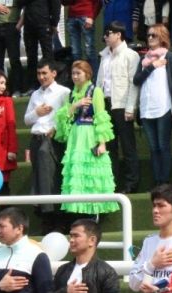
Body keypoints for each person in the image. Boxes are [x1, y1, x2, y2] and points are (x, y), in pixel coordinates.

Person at [55, 60, 119, 215]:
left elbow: (100, 116)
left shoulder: (95, 91)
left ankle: (94, 211)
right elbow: (64, 117)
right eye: (73, 73)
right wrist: (75, 106)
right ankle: (80, 210)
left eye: (78, 73)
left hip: (89, 135)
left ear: (87, 74)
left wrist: (102, 143)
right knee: (78, 172)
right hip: (76, 137)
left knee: (92, 170)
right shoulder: (71, 94)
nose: (75, 76)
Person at [23, 58, 70, 233]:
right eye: (39, 73)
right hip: (36, 139)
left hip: (52, 139)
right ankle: (46, 219)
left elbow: (68, 116)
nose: (41, 77)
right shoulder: (35, 94)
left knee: (50, 180)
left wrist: (56, 128)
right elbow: (27, 120)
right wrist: (37, 112)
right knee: (39, 180)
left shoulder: (63, 92)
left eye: (44, 73)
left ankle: (56, 219)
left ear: (54, 73)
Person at [96, 21, 140, 194]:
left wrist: (130, 107)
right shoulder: (104, 56)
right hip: (105, 104)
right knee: (110, 146)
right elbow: (99, 83)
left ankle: (131, 184)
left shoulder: (130, 55)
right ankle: (111, 183)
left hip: (121, 105)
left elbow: (133, 84)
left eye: (108, 33)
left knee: (128, 146)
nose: (105, 37)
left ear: (118, 34)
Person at [133, 23, 172, 187]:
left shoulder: (169, 56)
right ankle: (157, 181)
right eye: (149, 35)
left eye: (154, 35)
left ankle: (164, 181)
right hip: (147, 108)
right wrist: (151, 66)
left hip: (163, 107)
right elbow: (136, 80)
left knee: (163, 145)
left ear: (162, 37)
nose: (150, 38)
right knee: (153, 148)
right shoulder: (144, 59)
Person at [20, 0, 59, 93]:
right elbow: (20, 3)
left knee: (48, 55)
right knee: (31, 56)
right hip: (29, 24)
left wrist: (54, 23)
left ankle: (51, 83)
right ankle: (33, 86)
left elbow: (56, 4)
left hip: (44, 22)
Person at [67, 0, 102, 72]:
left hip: (86, 16)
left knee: (89, 50)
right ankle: (77, 75)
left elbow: (98, 2)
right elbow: (65, 2)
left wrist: (92, 17)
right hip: (72, 16)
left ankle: (94, 77)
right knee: (75, 51)